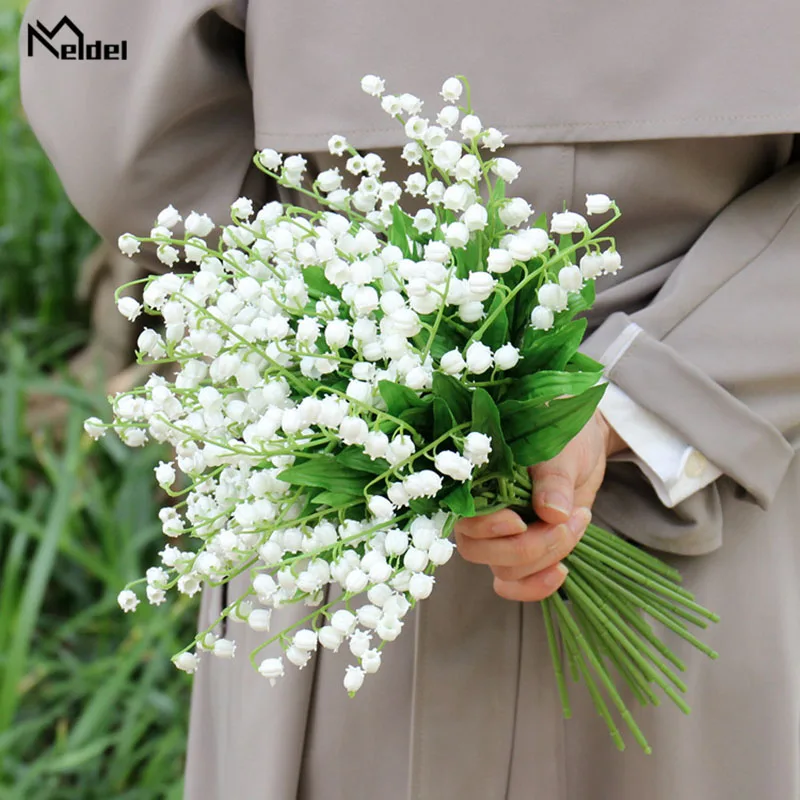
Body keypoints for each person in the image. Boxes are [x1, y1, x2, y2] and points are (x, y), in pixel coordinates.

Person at [20, 1, 800, 798]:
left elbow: (105, 90)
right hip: (719, 470)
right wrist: (646, 396)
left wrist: (317, 309)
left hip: (337, 486)